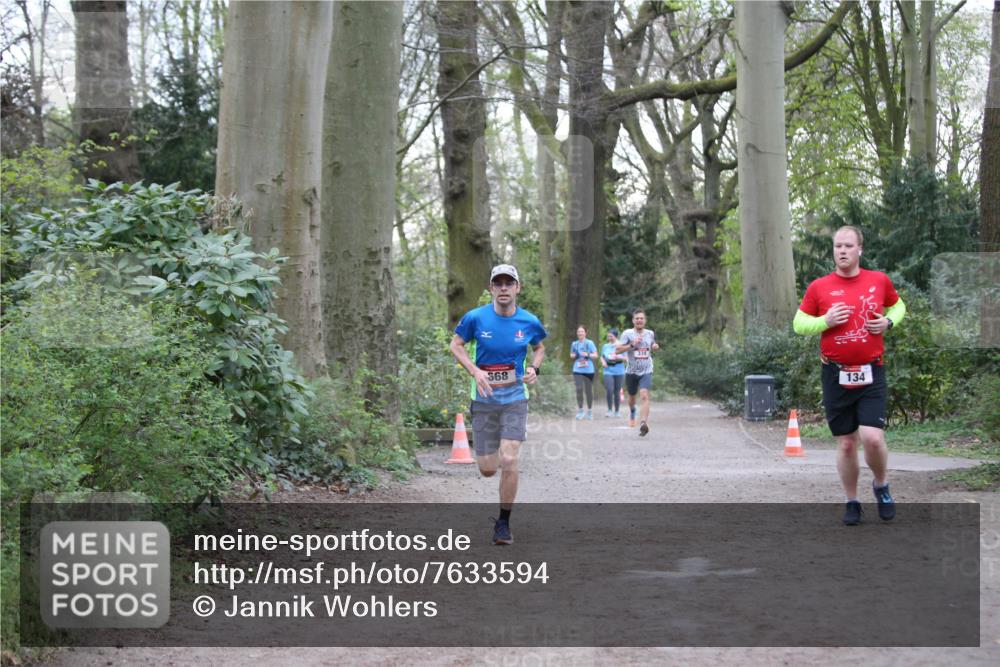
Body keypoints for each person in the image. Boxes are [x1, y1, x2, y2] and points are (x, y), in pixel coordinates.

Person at [793, 225, 906, 526]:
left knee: (872, 438)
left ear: (860, 249)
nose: (842, 251)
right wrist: (824, 321)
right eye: (837, 246)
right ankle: (852, 501)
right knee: (845, 442)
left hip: (871, 372)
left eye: (848, 246)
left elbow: (899, 307)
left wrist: (888, 323)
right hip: (835, 374)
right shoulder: (819, 287)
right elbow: (798, 324)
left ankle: (881, 485)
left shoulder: (878, 280)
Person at [450, 264, 546, 545]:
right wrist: (475, 371)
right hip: (484, 400)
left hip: (515, 398)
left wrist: (534, 368)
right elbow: (455, 345)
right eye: (498, 283)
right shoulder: (475, 318)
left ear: (518, 288)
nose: (504, 288)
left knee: (509, 458)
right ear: (491, 288)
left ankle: (503, 524)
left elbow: (539, 347)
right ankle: (495, 484)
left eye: (509, 283)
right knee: (488, 468)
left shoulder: (529, 321)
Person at [616, 309, 659, 436]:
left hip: (646, 370)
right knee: (632, 397)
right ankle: (633, 411)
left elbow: (653, 345)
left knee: (644, 394)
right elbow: (617, 350)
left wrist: (655, 347)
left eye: (641, 318)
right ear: (633, 320)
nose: (639, 320)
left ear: (645, 320)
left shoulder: (650, 333)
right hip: (631, 371)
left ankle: (643, 423)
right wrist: (631, 345)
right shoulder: (627, 334)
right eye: (637, 318)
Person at [570, 326, 598, 420]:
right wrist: (574, 355)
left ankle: (590, 411)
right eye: (578, 332)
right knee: (579, 390)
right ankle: (581, 410)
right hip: (577, 369)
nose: (580, 333)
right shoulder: (574, 344)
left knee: (588, 391)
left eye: (582, 332)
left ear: (585, 333)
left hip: (589, 370)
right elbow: (571, 355)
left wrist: (588, 354)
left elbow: (596, 355)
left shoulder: (589, 343)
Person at [600, 329, 626, 417]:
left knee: (617, 391)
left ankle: (617, 411)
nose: (609, 337)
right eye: (608, 336)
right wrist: (603, 362)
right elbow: (602, 357)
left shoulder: (621, 345)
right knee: (609, 390)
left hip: (619, 371)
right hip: (608, 371)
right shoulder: (605, 346)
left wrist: (618, 357)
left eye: (611, 336)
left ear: (615, 336)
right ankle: (609, 410)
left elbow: (626, 359)